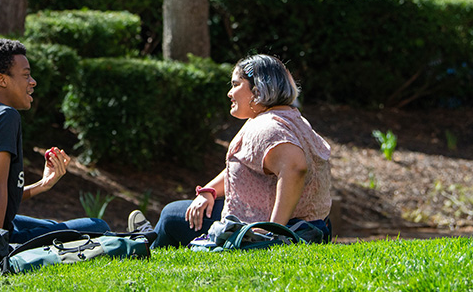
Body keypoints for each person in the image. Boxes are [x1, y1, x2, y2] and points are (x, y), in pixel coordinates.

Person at [141, 54, 332, 247]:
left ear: (257, 90)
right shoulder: (289, 118)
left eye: (236, 84)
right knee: (178, 212)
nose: (230, 93)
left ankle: (141, 247)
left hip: (288, 229)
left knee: (171, 215)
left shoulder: (267, 127)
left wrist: (272, 232)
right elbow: (247, 163)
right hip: (312, 226)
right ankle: (144, 239)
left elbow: (295, 167)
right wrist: (208, 191)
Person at [0, 38, 110, 243]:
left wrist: (43, 184)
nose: (32, 81)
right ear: (2, 80)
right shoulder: (6, 116)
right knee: (98, 227)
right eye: (26, 75)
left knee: (53, 226)